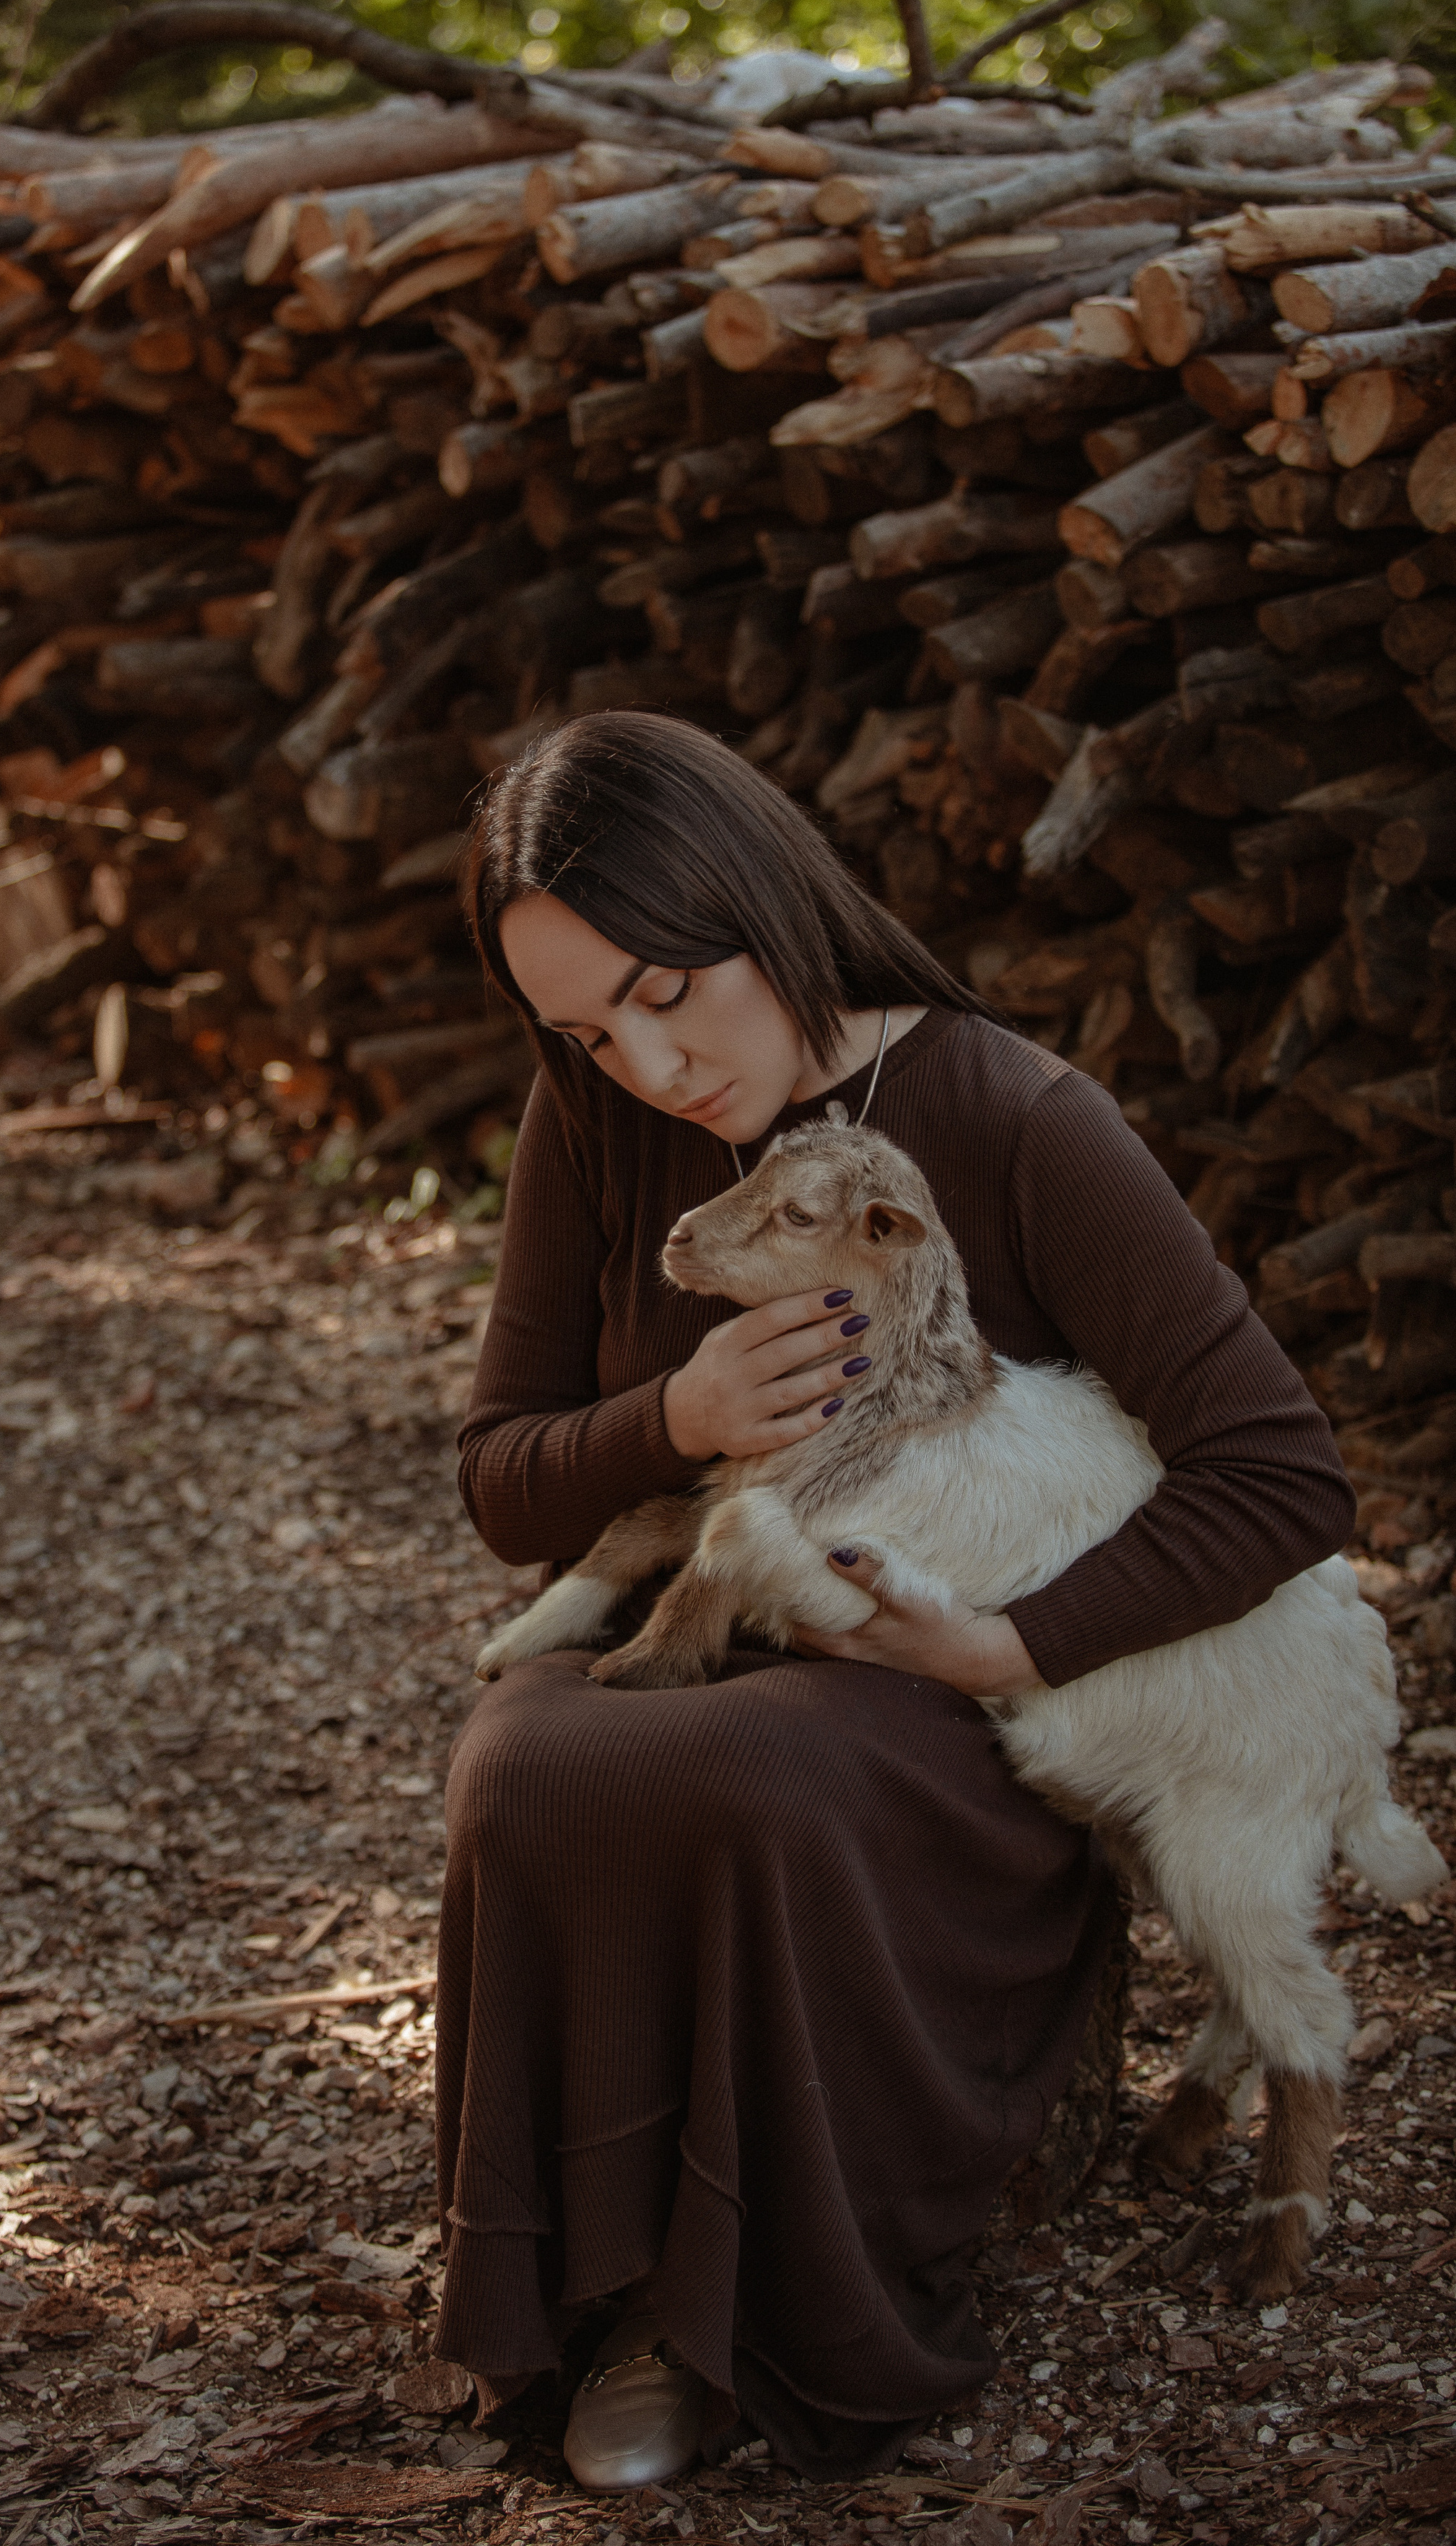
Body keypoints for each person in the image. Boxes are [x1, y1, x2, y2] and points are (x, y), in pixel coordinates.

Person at [429, 713, 1354, 2492]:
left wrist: (1004, 1642)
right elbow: (499, 1480)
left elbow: (1280, 1476)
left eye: (664, 992)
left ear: (757, 900)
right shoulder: (596, 1123)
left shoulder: (1012, 1116)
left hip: (939, 1694)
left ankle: (731, 2313)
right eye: (584, 1033)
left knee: (748, 1777)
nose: (646, 1064)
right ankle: (584, 2280)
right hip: (693, 1612)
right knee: (522, 1770)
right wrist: (673, 1417)